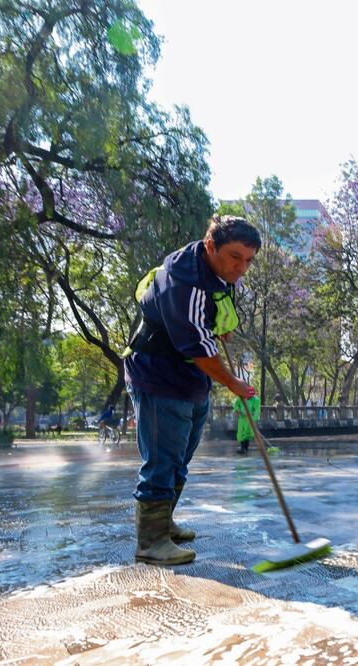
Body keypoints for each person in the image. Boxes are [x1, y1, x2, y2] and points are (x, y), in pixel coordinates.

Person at [123, 215, 260, 566]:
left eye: (248, 260)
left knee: (179, 459)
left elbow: (206, 323)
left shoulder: (214, 272)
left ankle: (164, 523)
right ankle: (151, 543)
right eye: (235, 257)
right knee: (161, 461)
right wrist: (234, 383)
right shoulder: (186, 284)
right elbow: (197, 350)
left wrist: (216, 327)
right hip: (159, 375)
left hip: (188, 379)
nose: (241, 267)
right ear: (210, 245)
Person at [232, 389, 261, 455]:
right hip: (242, 418)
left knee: (248, 433)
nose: (249, 397)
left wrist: (253, 419)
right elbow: (235, 405)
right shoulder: (241, 398)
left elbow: (257, 411)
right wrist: (238, 410)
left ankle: (245, 448)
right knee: (240, 432)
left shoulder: (256, 400)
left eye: (250, 395)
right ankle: (242, 447)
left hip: (250, 418)